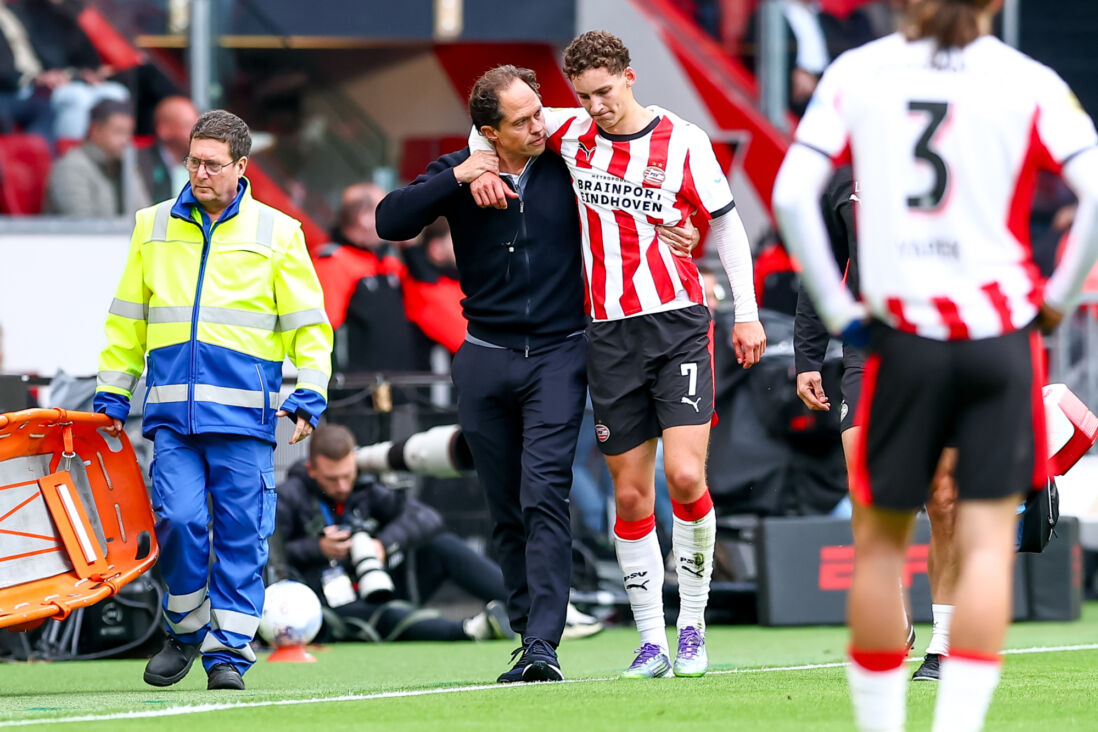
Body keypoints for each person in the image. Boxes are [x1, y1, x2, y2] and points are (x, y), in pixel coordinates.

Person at [772, 1, 1098, 729]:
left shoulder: (859, 72)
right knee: (985, 541)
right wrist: (1056, 299)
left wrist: (841, 306)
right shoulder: (1028, 78)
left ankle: (884, 721)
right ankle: (957, 725)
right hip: (997, 332)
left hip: (899, 333)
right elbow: (1094, 185)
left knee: (880, 540)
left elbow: (792, 193)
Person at [376, 64, 695, 683]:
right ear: (488, 132)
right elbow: (391, 222)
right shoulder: (461, 170)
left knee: (543, 491)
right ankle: (526, 633)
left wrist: (682, 227)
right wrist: (465, 175)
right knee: (503, 506)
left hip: (560, 352)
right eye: (521, 120)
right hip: (484, 356)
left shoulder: (569, 157)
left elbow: (636, 182)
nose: (538, 123)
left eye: (538, 110)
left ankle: (545, 642)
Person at [467, 30, 767, 680]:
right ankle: (651, 641)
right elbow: (488, 131)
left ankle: (692, 626)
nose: (596, 105)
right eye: (584, 95)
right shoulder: (571, 135)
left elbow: (725, 221)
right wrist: (482, 162)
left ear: (629, 79)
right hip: (608, 333)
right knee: (630, 496)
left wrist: (745, 310)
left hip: (680, 322)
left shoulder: (683, 138)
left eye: (605, 91)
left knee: (685, 478)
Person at [94, 109, 333, 691]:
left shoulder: (279, 232)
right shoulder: (151, 225)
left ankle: (228, 652)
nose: (199, 172)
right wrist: (111, 392)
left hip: (247, 417)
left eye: (212, 164)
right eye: (193, 161)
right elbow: (127, 319)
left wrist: (308, 393)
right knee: (177, 522)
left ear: (241, 166)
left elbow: (310, 327)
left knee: (240, 535)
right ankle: (185, 629)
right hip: (172, 416)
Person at [792, 166, 958, 681]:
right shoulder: (843, 173)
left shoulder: (959, 151)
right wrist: (806, 357)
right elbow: (822, 268)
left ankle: (945, 647)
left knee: (944, 499)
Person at [276, 424, 515, 644]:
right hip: (328, 605)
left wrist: (382, 544)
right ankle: (471, 629)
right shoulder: (289, 497)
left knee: (443, 545)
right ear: (311, 469)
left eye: (347, 476)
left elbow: (426, 518)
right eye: (332, 479)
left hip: (380, 582)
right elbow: (273, 557)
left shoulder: (364, 487)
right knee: (387, 613)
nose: (342, 486)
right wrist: (319, 548)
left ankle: (522, 604)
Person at [312, 182, 431, 372]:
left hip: (399, 389)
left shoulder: (386, 261)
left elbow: (427, 296)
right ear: (364, 218)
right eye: (386, 209)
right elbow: (323, 331)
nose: (394, 216)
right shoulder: (334, 262)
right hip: (357, 393)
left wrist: (410, 247)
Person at [44, 98, 149, 217]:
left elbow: (144, 217)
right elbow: (83, 226)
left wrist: (130, 172)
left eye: (129, 133)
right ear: (96, 130)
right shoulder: (70, 168)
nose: (126, 141)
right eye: (119, 132)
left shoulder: (123, 164)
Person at [138, 95, 199, 202]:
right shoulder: (140, 164)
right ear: (164, 130)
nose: (197, 134)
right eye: (188, 125)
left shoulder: (206, 165)